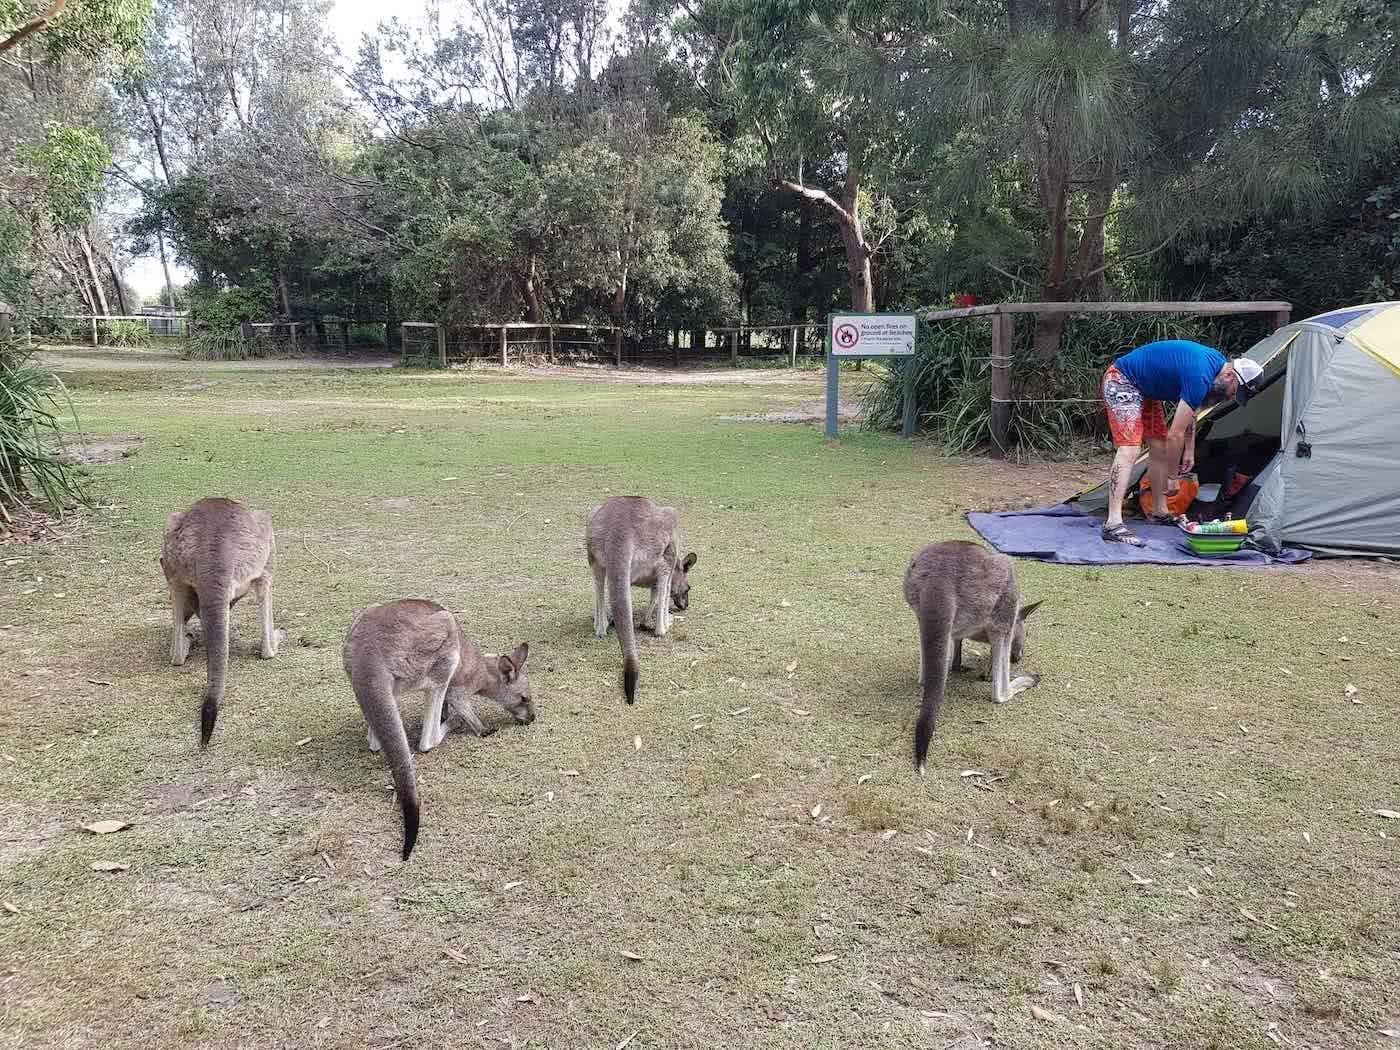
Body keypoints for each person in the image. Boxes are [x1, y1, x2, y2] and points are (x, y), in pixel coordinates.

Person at [1099, 339, 1263, 545]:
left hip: (1147, 391)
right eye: (1234, 392)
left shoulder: (1214, 369)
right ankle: (1112, 523)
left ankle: (1159, 511)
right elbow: (1174, 434)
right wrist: (1173, 476)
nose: (1231, 398)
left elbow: (1190, 412)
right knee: (1130, 447)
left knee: (1157, 447)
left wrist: (1190, 450)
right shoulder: (1201, 375)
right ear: (1230, 376)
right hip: (1122, 380)